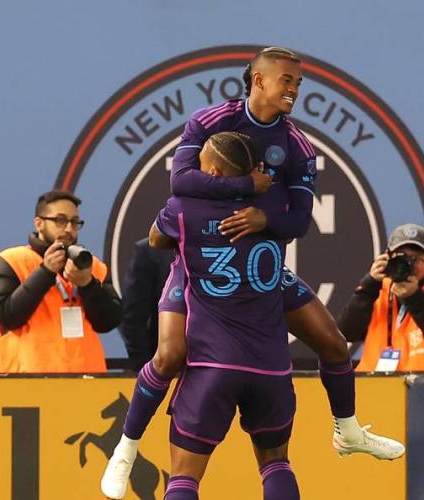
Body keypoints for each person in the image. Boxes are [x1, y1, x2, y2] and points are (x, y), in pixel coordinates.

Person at [106, 45, 403, 477]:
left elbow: (300, 220)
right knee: (169, 356)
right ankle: (126, 449)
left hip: (262, 275)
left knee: (335, 345)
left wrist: (265, 218)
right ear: (259, 80)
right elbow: (180, 182)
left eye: (299, 83)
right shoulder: (210, 121)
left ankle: (349, 431)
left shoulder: (298, 146)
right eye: (287, 80)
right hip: (197, 269)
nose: (294, 91)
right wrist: (248, 184)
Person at [135, 132, 308, 500]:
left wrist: (202, 189)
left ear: (210, 172)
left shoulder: (185, 209)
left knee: (184, 478)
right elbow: (298, 212)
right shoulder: (271, 212)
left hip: (213, 364)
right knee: (276, 464)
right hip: (272, 366)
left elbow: (155, 238)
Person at [0, 190, 122, 373]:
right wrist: (45, 272)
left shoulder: (91, 265)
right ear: (39, 223)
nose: (68, 228)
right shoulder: (11, 261)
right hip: (28, 382)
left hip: (89, 381)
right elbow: (7, 315)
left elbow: (109, 321)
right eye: (60, 220)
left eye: (74, 222)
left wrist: (88, 285)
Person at [338, 224, 424, 372]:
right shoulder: (375, 291)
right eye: (400, 257)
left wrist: (414, 297)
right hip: (376, 387)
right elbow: (346, 333)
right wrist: (369, 285)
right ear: (387, 257)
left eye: (415, 259)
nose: (408, 264)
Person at [119, 238, 175, 370]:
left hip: (221, 363)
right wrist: (148, 372)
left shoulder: (225, 246)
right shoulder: (151, 251)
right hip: (169, 368)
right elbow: (133, 319)